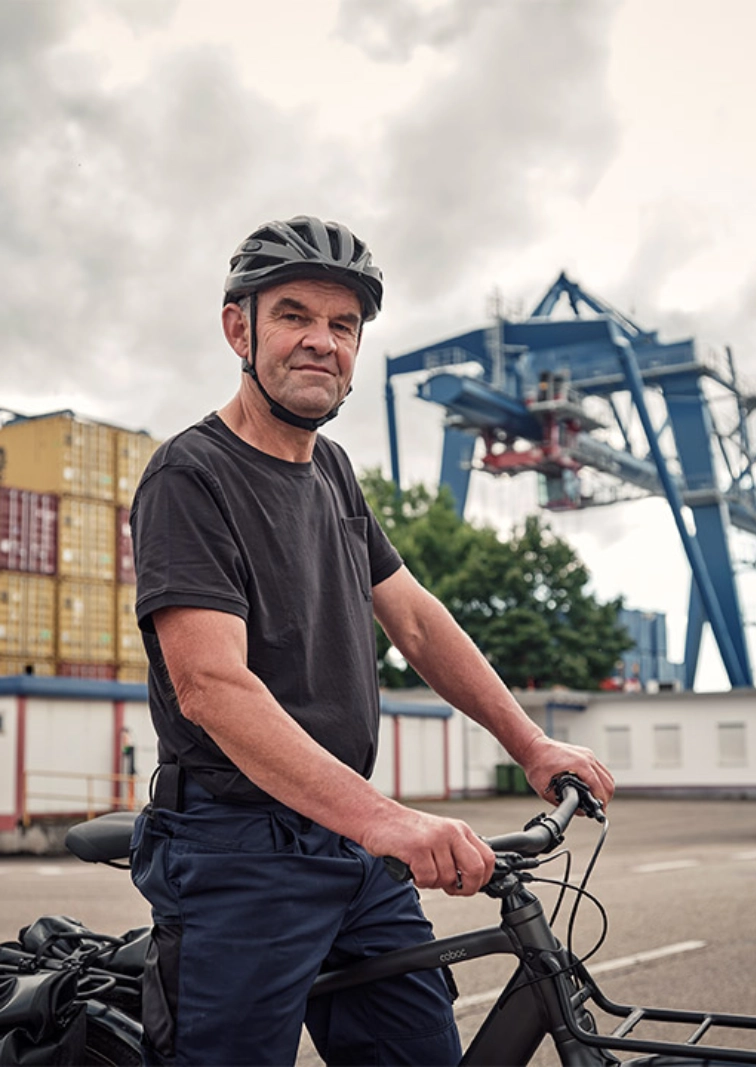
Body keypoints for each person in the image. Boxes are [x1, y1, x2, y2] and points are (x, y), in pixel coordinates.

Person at [129, 214, 615, 1066]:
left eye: (343, 325)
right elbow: (212, 687)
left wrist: (531, 743)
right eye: (294, 316)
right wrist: (390, 821)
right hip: (236, 848)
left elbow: (419, 620)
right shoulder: (190, 475)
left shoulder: (333, 471)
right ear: (238, 328)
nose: (321, 341)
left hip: (345, 839)